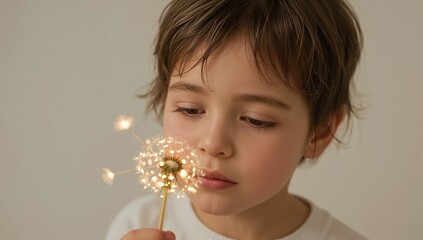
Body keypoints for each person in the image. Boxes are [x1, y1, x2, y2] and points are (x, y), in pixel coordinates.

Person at [106, 0, 367, 239]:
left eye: (256, 120)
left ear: (319, 133)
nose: (212, 143)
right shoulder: (138, 225)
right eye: (190, 110)